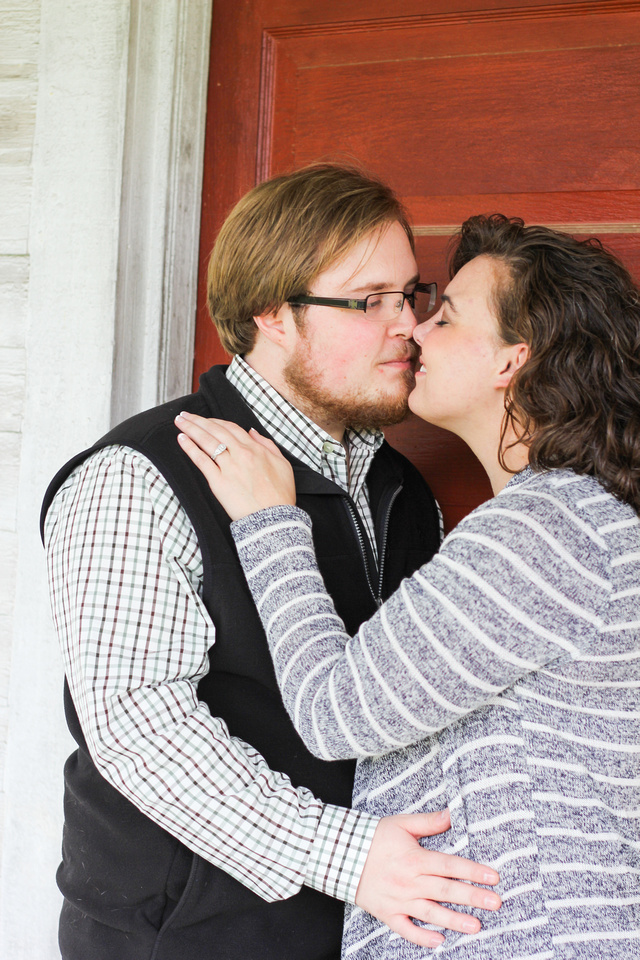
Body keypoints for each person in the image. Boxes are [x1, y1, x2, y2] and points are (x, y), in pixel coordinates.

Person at [41, 165, 502, 960]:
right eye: (369, 301)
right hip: (183, 937)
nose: (408, 326)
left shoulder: (404, 490)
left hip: (362, 932)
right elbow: (138, 728)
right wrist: (350, 857)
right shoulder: (138, 472)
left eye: (411, 295)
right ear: (272, 314)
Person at [176, 214, 640, 959]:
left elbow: (335, 712)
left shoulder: (544, 529)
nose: (415, 330)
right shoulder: (574, 522)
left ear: (512, 361)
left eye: (446, 315)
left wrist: (270, 521)